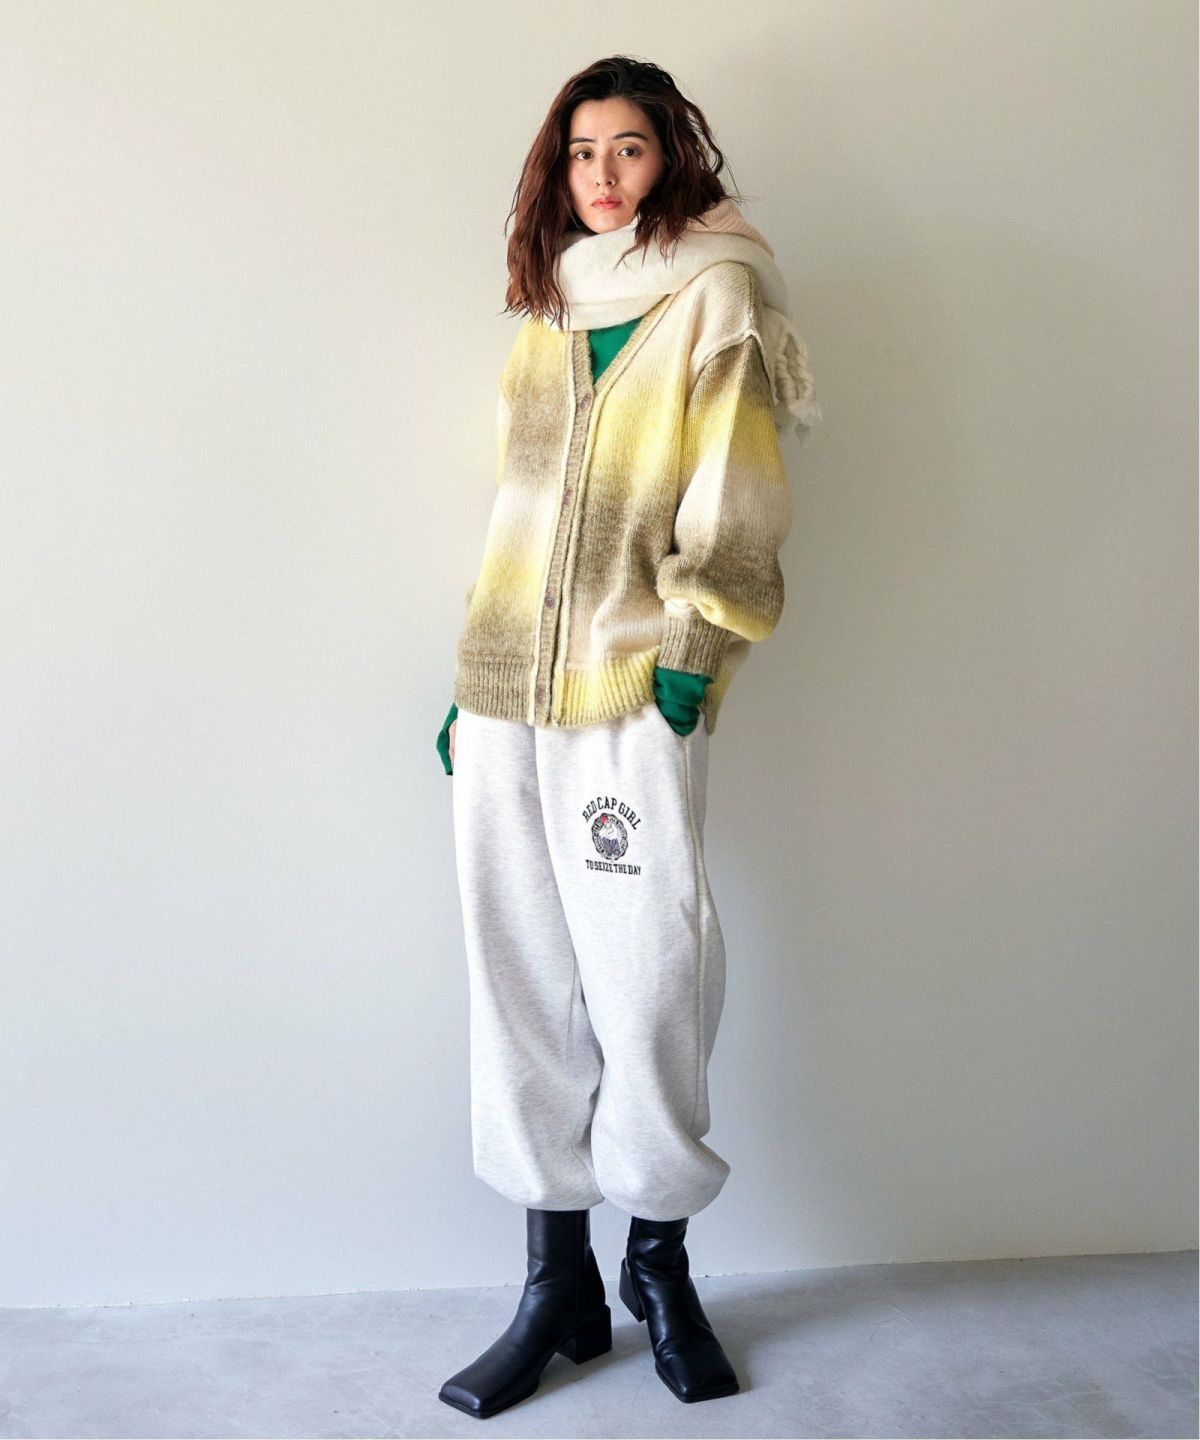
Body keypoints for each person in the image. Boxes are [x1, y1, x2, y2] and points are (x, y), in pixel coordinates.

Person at [434, 54, 819, 1419]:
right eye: (582, 152)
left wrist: (692, 660)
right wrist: (474, 675)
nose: (603, 177)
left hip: (631, 691)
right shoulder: (549, 308)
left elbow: (738, 496)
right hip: (506, 699)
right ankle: (557, 1289)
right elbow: (517, 510)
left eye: (630, 150)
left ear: (673, 159)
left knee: (650, 980)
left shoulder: (717, 296)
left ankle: (660, 1266)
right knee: (518, 978)